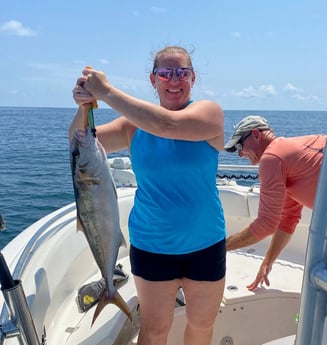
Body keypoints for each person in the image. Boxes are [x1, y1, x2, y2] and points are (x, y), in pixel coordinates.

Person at [70, 46, 226, 345]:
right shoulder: (132, 127)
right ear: (153, 80)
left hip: (205, 241)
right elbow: (80, 142)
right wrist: (85, 105)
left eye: (181, 72)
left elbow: (167, 125)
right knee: (154, 329)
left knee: (202, 323)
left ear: (193, 78)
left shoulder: (209, 114)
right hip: (151, 244)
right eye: (165, 73)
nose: (174, 80)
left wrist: (107, 92)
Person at [224, 115, 326, 291]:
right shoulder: (287, 155)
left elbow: (266, 224)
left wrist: (219, 248)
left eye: (240, 145)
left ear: (256, 134)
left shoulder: (272, 158)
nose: (240, 154)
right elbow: (288, 219)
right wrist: (268, 261)